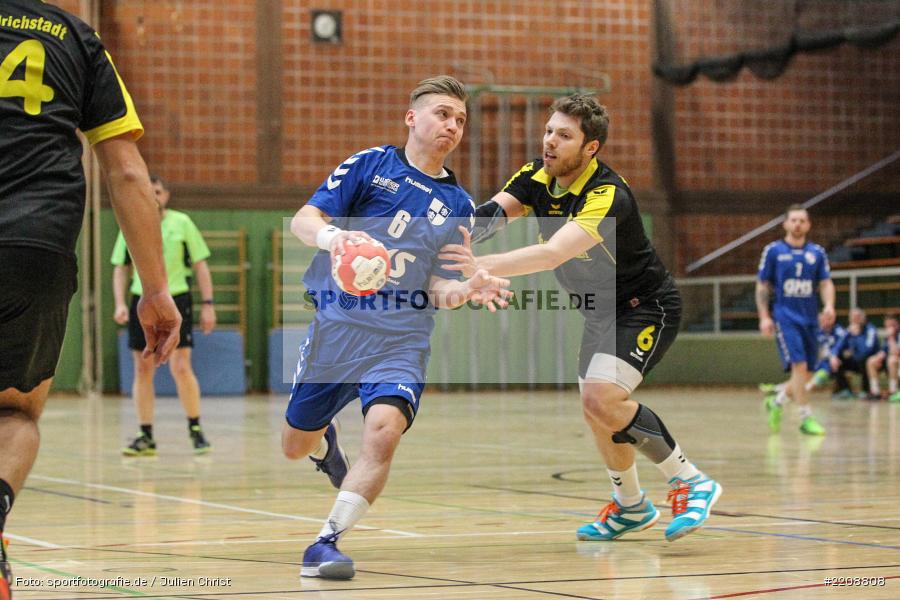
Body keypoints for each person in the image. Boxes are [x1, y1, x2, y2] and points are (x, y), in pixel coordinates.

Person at [440, 93, 722, 544]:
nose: (550, 141)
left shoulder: (606, 195)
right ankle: (631, 506)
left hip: (645, 306)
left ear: (590, 148)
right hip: (599, 311)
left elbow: (553, 253)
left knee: (603, 400)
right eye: (550, 130)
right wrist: (440, 235)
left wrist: (481, 268)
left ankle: (690, 480)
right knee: (596, 413)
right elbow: (490, 216)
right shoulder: (536, 174)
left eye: (564, 136)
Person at [283, 75, 511, 580]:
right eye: (442, 114)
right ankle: (325, 445)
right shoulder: (370, 165)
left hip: (402, 336)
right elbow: (304, 218)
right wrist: (333, 239)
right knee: (294, 444)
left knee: (385, 433)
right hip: (339, 327)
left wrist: (467, 288)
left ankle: (326, 543)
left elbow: (439, 286)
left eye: (460, 119)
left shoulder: (458, 206)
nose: (452, 125)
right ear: (412, 117)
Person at [0, 2, 181, 598]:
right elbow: (127, 173)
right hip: (37, 244)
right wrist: (156, 288)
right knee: (15, 416)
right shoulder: (76, 38)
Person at [112, 176, 215, 455]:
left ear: (166, 195)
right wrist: (120, 303)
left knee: (180, 366)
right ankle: (145, 434)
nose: (153, 196)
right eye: (148, 192)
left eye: (157, 191)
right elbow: (120, 267)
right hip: (141, 300)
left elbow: (200, 265)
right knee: (143, 367)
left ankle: (195, 428)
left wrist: (208, 303)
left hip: (177, 298)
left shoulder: (181, 223)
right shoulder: (132, 223)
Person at [756, 206, 835, 435]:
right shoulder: (774, 251)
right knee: (798, 366)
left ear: (808, 225)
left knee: (807, 372)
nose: (798, 224)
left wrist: (829, 305)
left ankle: (777, 401)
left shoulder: (817, 253)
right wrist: (764, 316)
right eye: (794, 220)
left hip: (810, 319)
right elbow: (762, 285)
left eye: (802, 220)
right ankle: (805, 417)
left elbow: (825, 282)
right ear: (786, 224)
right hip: (785, 317)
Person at [759, 312, 847, 420]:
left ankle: (780, 397)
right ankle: (779, 392)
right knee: (802, 376)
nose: (824, 322)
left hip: (834, 362)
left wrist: (833, 355)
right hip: (817, 360)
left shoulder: (838, 331)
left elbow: (841, 345)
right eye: (822, 320)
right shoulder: (815, 331)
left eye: (827, 319)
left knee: (809, 377)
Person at [830, 308, 879, 399]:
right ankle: (845, 389)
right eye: (852, 318)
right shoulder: (848, 331)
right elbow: (837, 346)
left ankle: (865, 390)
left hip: (867, 361)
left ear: (863, 318)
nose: (855, 320)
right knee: (836, 359)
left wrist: (857, 336)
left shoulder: (870, 329)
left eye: (857, 317)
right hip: (853, 361)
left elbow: (867, 350)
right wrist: (834, 356)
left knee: (864, 359)